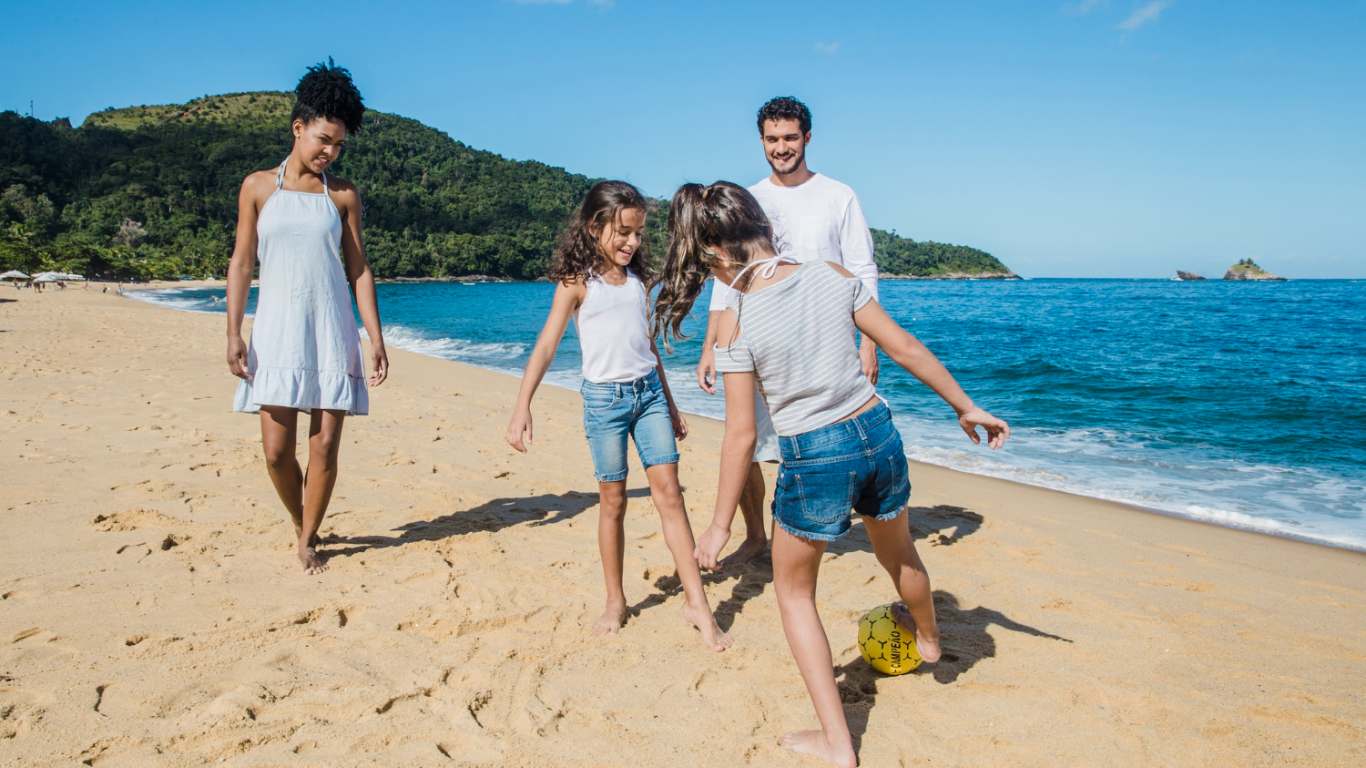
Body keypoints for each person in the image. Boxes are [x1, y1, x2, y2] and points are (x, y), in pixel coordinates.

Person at [655, 182, 1008, 767]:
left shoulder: (736, 319)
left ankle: (838, 743)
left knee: (794, 594)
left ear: (714, 252)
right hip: (877, 430)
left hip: (815, 452)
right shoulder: (831, 273)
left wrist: (718, 526)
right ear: (762, 224)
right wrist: (964, 405)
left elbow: (741, 435)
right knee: (899, 553)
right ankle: (928, 640)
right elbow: (903, 346)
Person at [505, 181, 730, 652]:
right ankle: (615, 599)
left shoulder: (637, 283)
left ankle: (698, 604)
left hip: (649, 396)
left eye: (638, 234)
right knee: (613, 502)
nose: (632, 242)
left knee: (670, 495)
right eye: (623, 232)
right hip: (604, 404)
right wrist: (523, 404)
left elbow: (648, 347)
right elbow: (546, 346)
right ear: (595, 227)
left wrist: (671, 405)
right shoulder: (576, 283)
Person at [695, 96, 882, 566]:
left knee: (803, 439)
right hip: (755, 339)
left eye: (790, 138)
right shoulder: (750, 198)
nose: (781, 147)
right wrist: (710, 345)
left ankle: (797, 535)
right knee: (745, 440)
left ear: (807, 138)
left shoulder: (839, 195)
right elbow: (726, 276)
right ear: (761, 141)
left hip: (823, 344)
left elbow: (862, 269)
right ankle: (756, 535)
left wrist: (869, 343)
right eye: (772, 139)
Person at [225, 60, 388, 575]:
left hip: (332, 330)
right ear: (298, 128)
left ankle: (308, 538)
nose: (330, 152)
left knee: (325, 446)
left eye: (338, 145)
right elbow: (242, 262)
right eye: (323, 140)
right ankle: (302, 519)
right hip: (276, 331)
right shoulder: (257, 188)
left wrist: (374, 337)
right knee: (277, 452)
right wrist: (233, 331)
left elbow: (358, 269)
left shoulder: (342, 195)